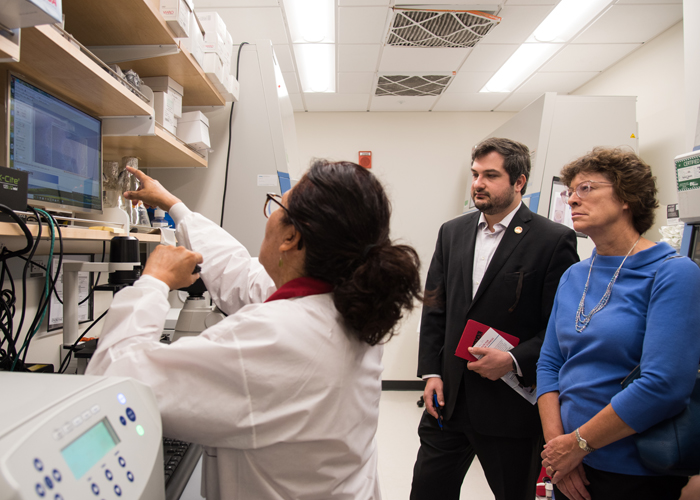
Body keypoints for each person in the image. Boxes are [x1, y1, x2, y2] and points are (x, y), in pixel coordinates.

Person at [86, 160, 424, 499]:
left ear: (292, 237)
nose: (270, 214)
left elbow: (116, 381)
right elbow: (242, 276)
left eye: (277, 205)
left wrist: (153, 282)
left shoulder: (276, 337)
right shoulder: (351, 303)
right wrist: (176, 207)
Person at [411, 137, 579, 500]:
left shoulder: (553, 241)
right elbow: (436, 308)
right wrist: (432, 373)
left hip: (508, 405)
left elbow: (559, 326)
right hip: (449, 401)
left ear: (519, 182)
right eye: (475, 174)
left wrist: (515, 359)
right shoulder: (452, 232)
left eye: (490, 175)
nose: (478, 184)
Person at [537, 147, 700, 500]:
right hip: (569, 464)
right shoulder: (574, 275)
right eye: (569, 192)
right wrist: (558, 451)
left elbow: (664, 385)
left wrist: (580, 443)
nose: (572, 201)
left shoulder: (673, 273)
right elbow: (549, 364)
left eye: (586, 189)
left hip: (634, 469)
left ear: (627, 197)